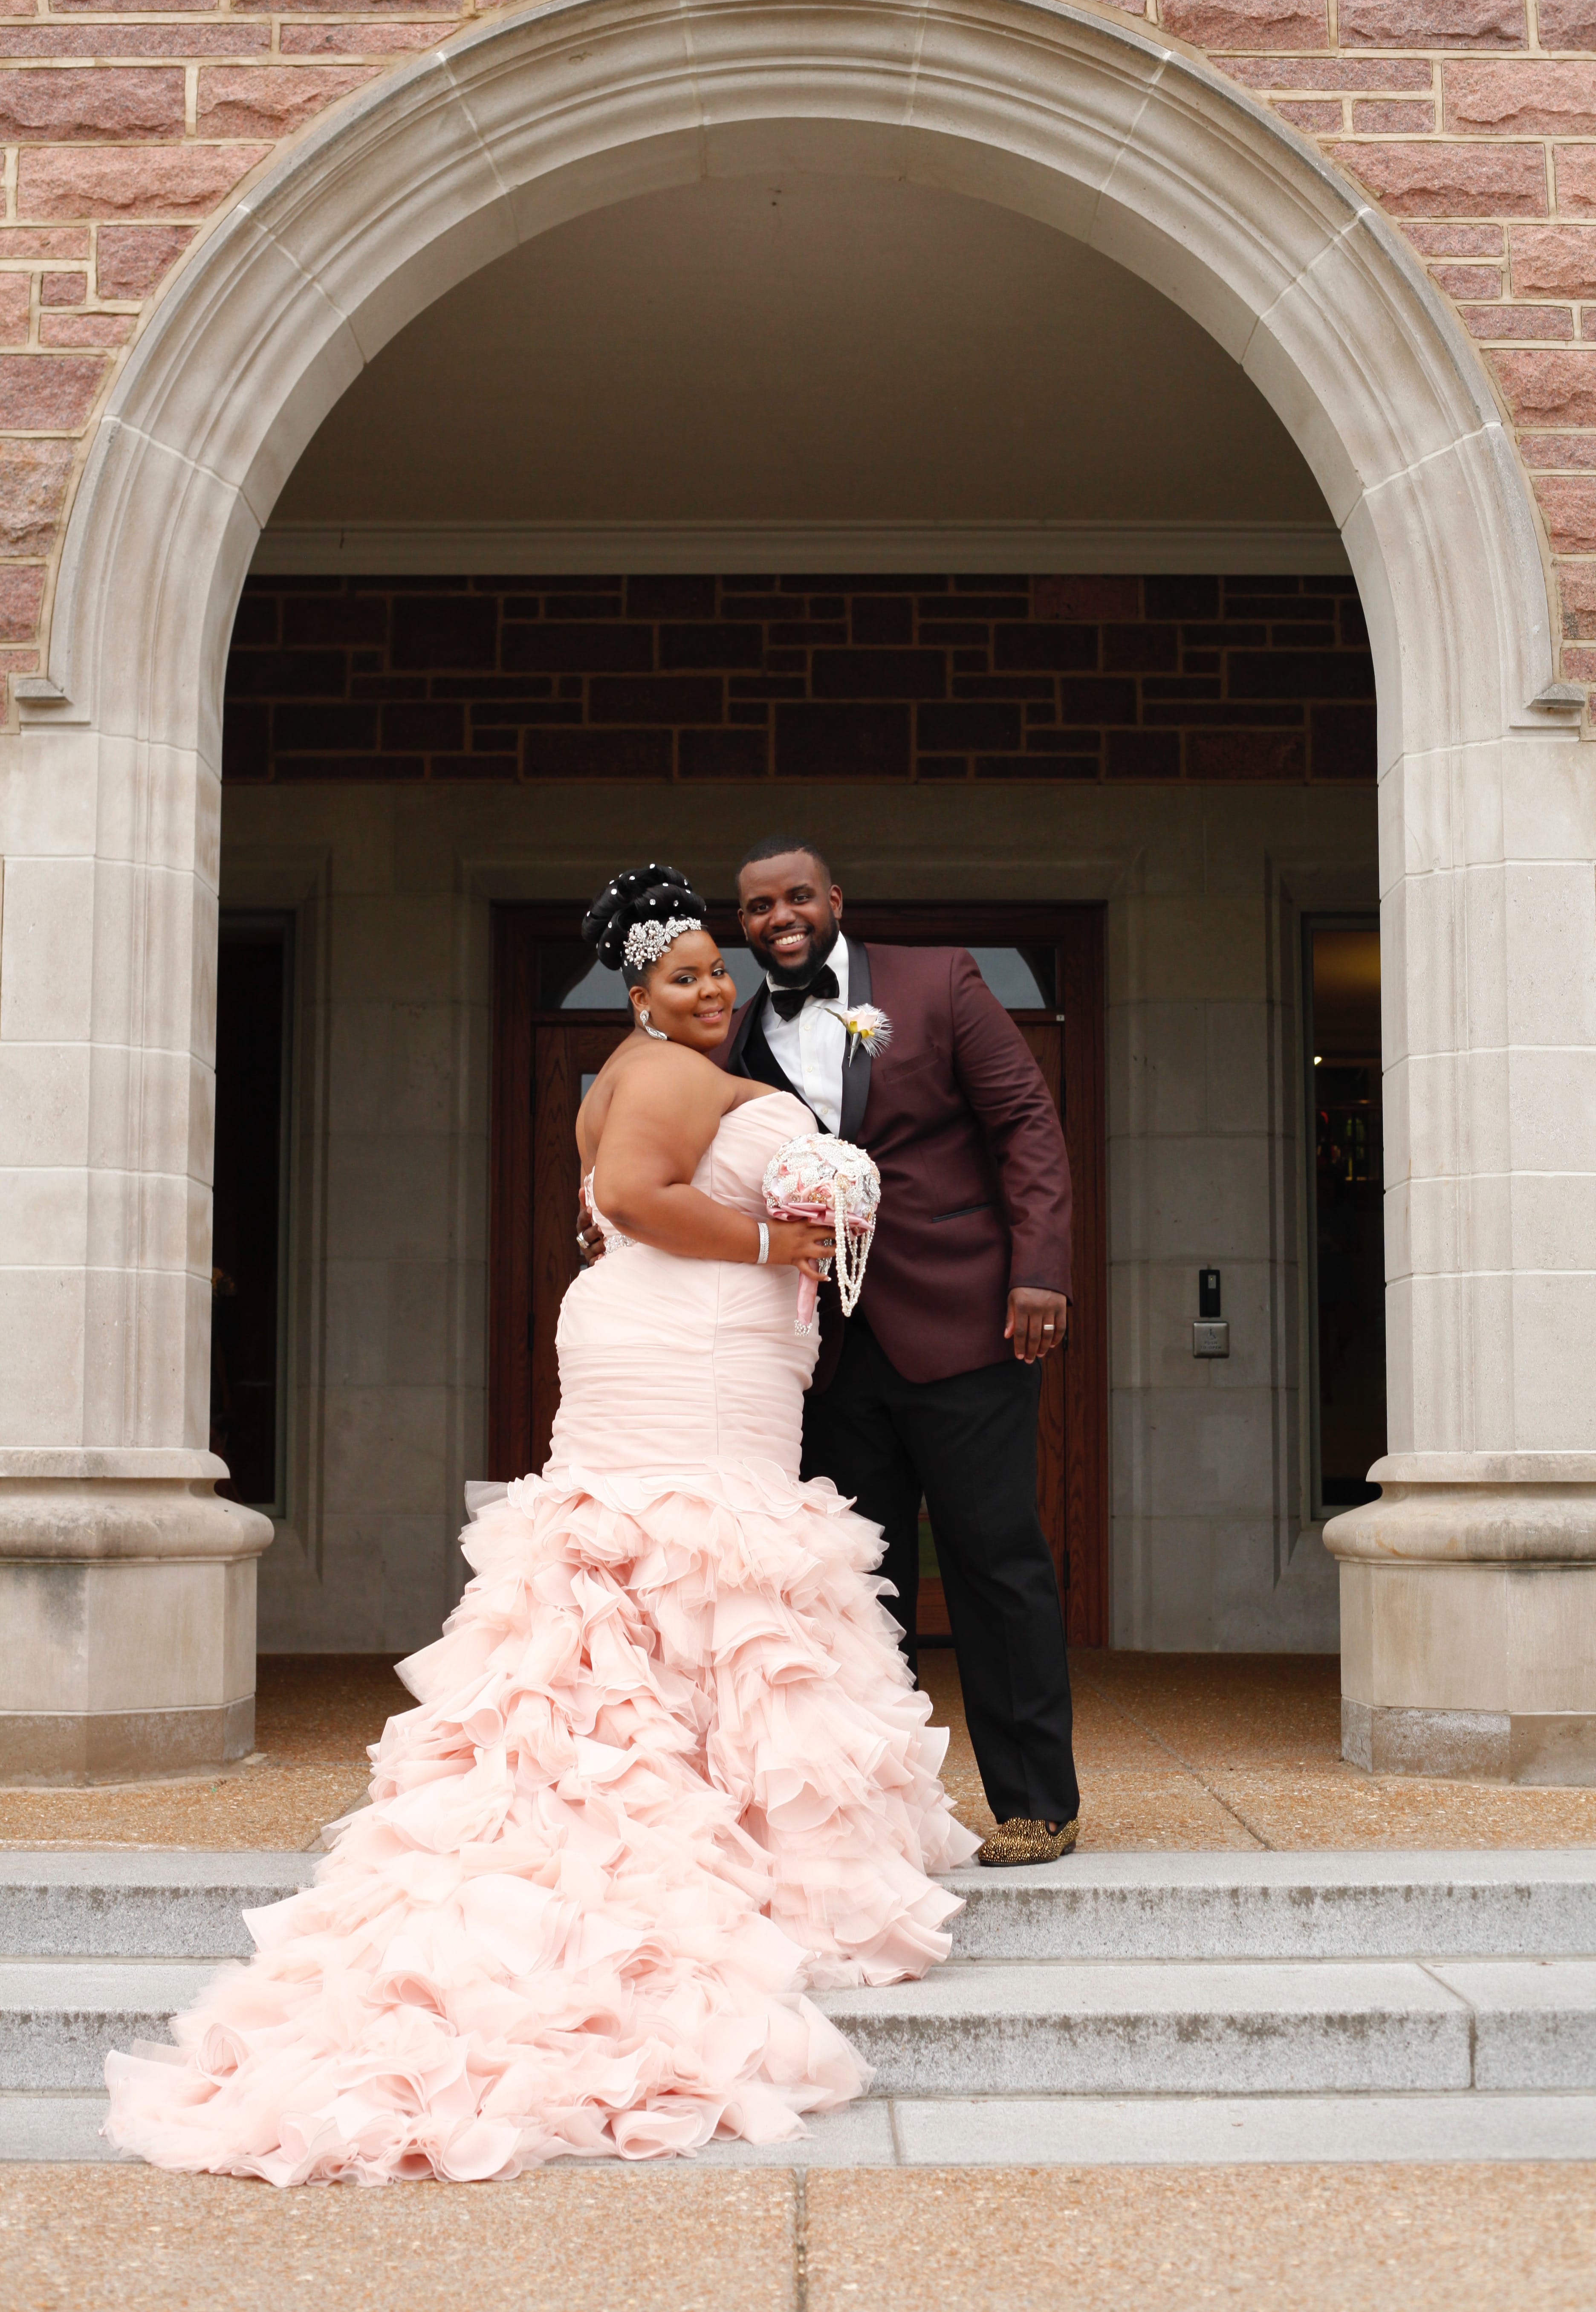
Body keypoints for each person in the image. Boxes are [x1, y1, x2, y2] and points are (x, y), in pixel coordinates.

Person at [104, 864, 975, 2185]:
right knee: (694, 1558)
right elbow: (630, 1203)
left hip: (691, 1346)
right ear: (636, 992)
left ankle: (691, 1813)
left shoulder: (647, 1069)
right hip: (689, 1344)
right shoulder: (670, 1073)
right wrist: (776, 1250)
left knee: (666, 1572)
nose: (708, 988)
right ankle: (682, 1841)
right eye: (680, 973)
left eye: (711, 969)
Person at [728, 837, 1080, 1870]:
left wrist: (1041, 1268)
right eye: (757, 907)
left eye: (797, 896)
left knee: (993, 1561)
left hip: (968, 1319)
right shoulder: (739, 1038)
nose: (779, 917)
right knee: (852, 1588)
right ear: (744, 925)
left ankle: (1036, 1805)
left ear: (834, 900)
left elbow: (1023, 1120)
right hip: (827, 1350)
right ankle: (876, 1816)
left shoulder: (938, 980)